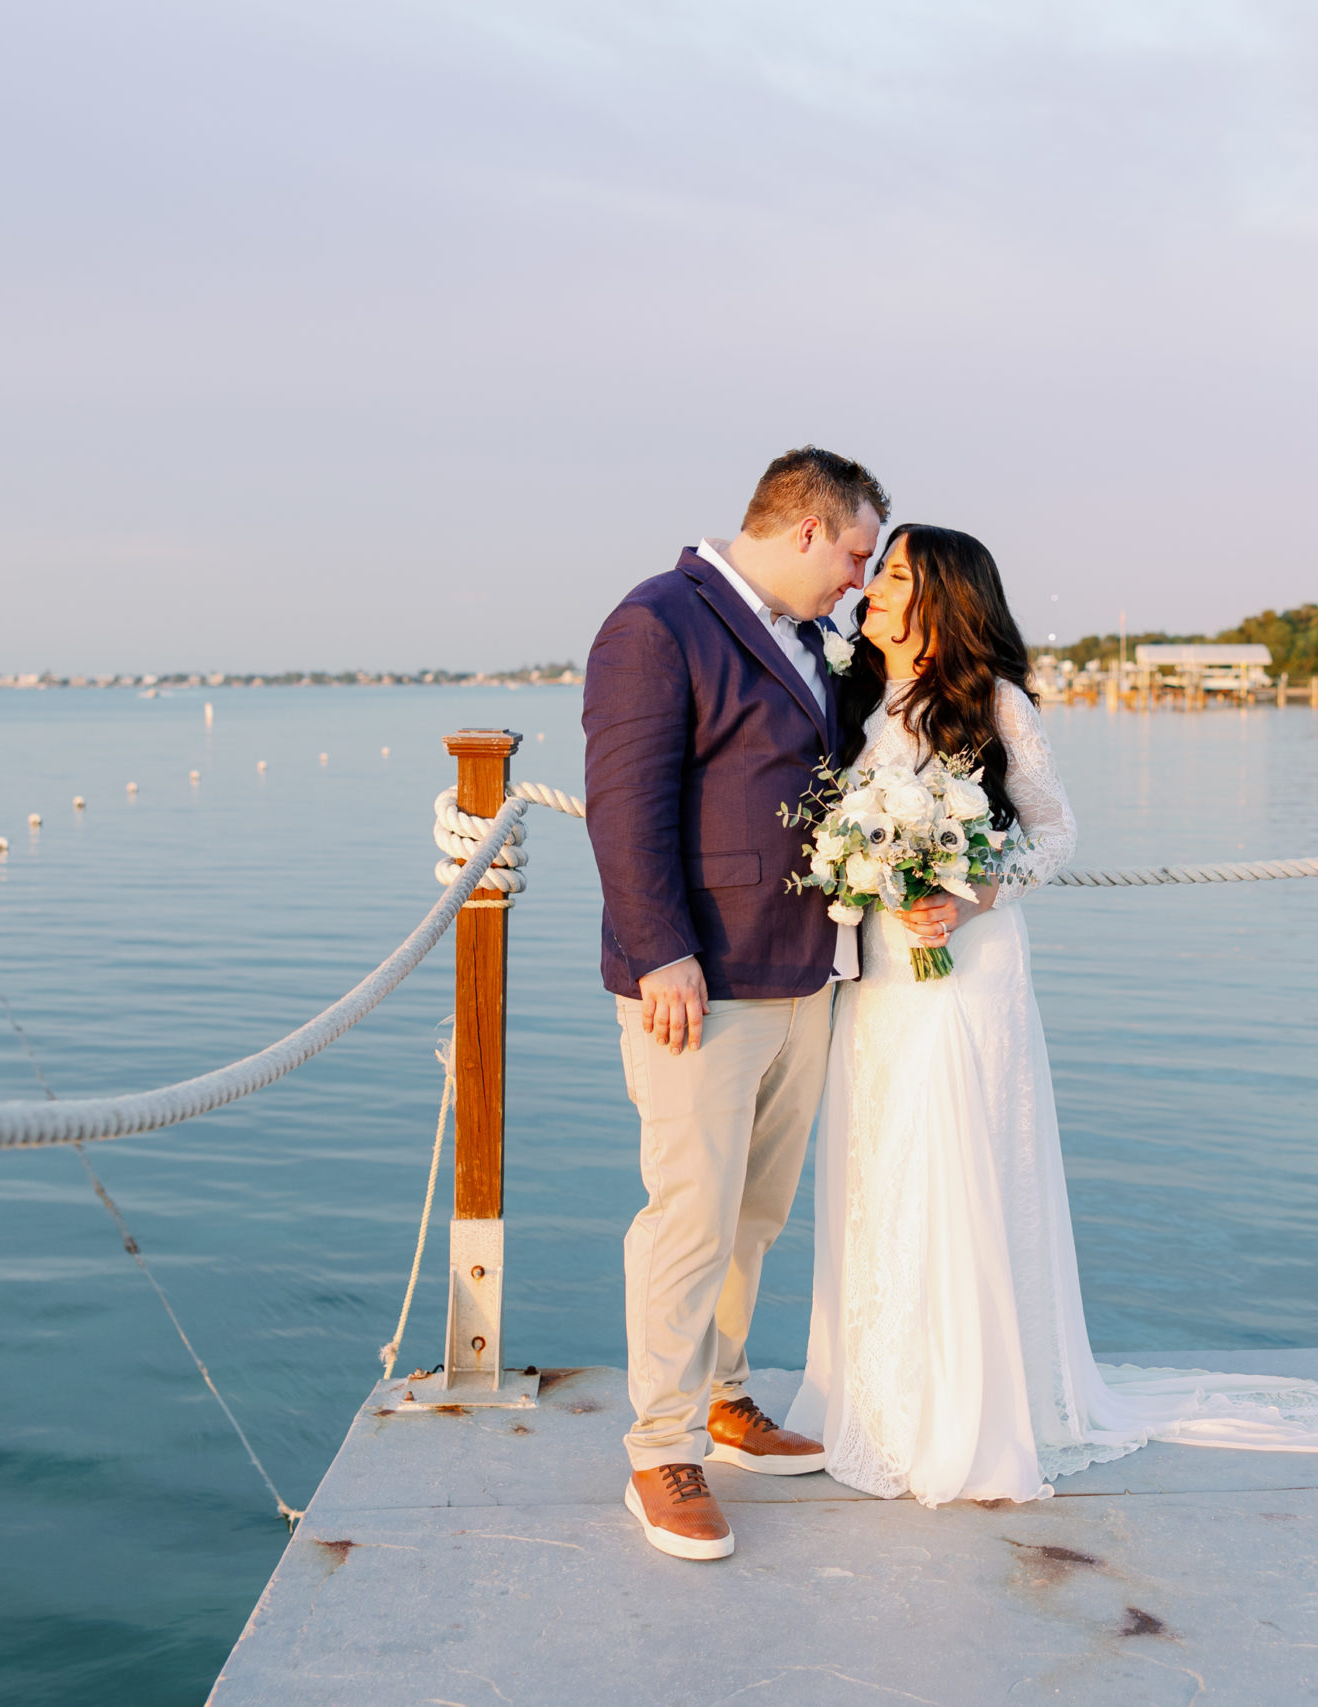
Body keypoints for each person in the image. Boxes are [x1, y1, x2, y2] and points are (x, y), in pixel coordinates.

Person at [785, 524, 1318, 1507]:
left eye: (897, 575)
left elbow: (1055, 828)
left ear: (944, 599)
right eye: (875, 571)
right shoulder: (860, 700)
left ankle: (967, 1414)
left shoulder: (990, 701)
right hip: (878, 971)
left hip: (966, 961)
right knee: (885, 1164)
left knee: (954, 1165)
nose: (872, 587)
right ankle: (879, 1400)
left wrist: (974, 896)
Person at [581, 446, 888, 1561]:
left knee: (755, 1215)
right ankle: (660, 1450)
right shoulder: (658, 622)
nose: (859, 578)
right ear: (806, 529)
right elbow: (624, 802)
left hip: (808, 968)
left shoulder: (821, 640)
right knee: (690, 1215)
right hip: (698, 984)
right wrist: (662, 952)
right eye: (855, 553)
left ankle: (724, 1396)